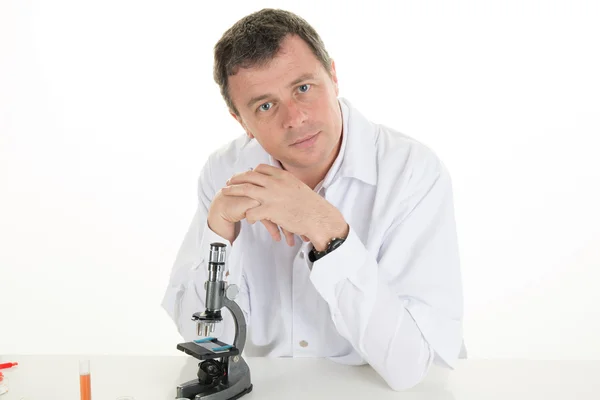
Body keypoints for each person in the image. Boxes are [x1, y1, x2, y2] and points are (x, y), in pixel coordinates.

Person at [161, 8, 465, 391]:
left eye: (303, 88)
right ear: (240, 120)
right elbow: (210, 344)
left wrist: (324, 228)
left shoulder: (412, 172)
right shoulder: (225, 172)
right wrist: (219, 230)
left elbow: (409, 367)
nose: (295, 118)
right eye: (265, 106)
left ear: (334, 77)